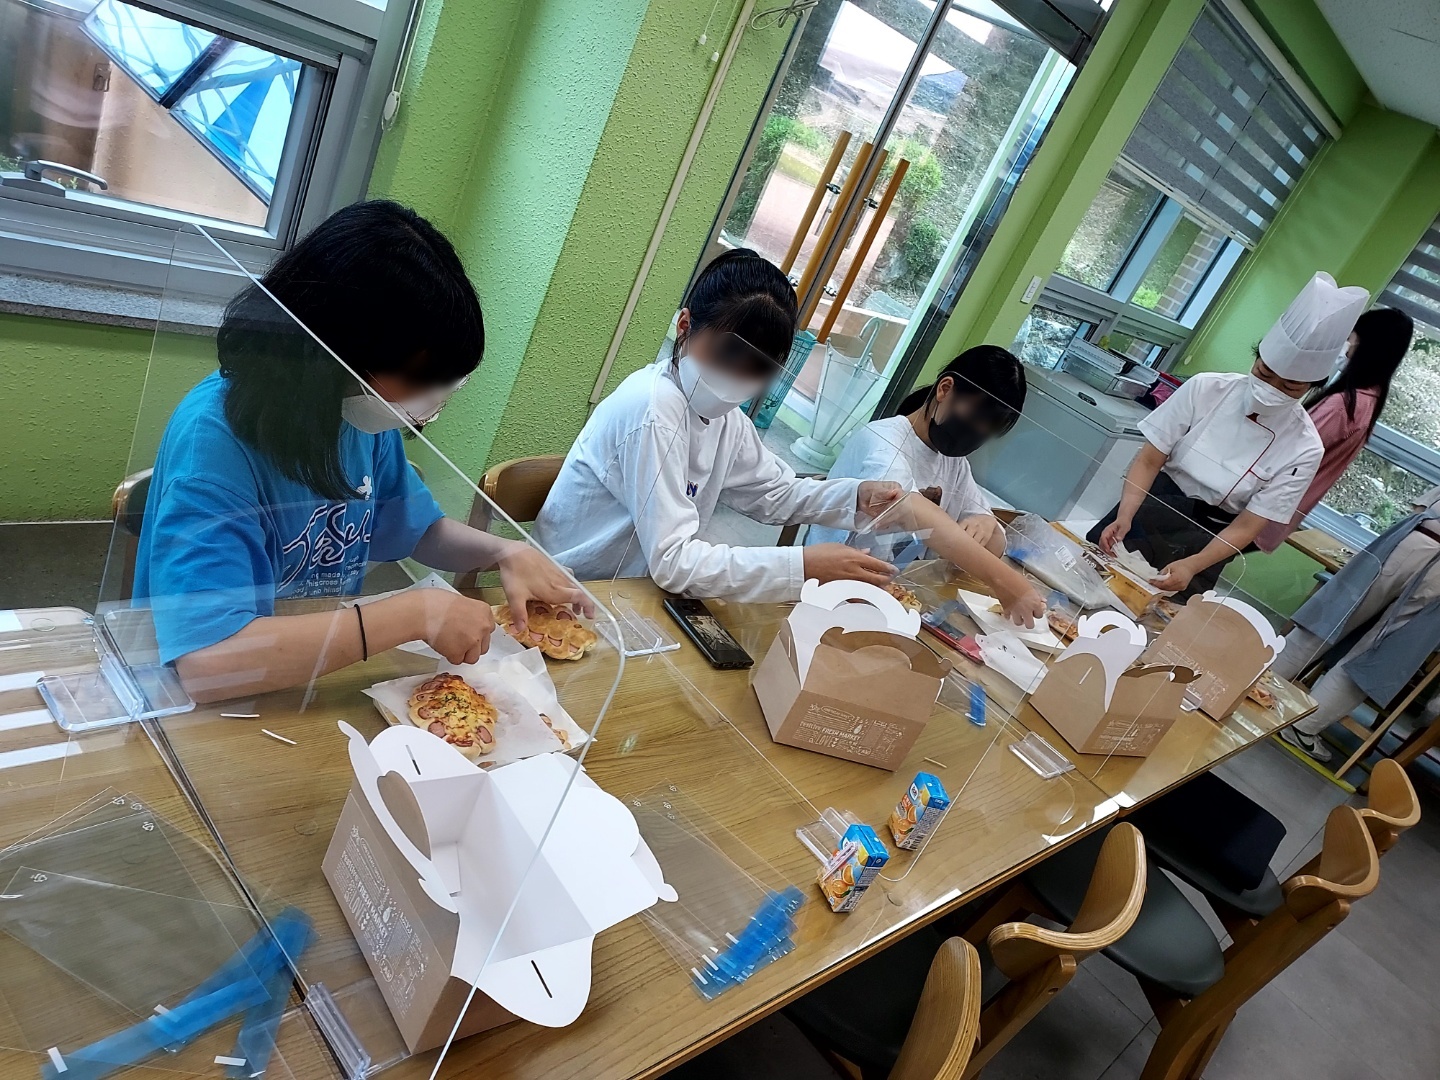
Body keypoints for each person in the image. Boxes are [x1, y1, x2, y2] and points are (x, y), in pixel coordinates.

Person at [135, 201, 588, 702]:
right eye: (417, 380)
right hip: (214, 690)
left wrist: (504, 551)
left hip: (314, 667)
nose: (426, 401)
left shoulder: (353, 411)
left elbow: (415, 528)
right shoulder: (214, 449)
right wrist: (416, 612)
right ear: (334, 353)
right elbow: (206, 662)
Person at [532, 249, 1045, 623]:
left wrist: (856, 497)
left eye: (758, 369)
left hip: (635, 595)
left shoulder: (723, 418)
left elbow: (774, 492)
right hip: (576, 597)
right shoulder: (654, 410)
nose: (739, 378)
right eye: (728, 355)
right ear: (685, 326)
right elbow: (675, 561)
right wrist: (802, 565)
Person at [1089, 272, 1369, 597]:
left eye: (1290, 387)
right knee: (1088, 582)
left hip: (1212, 538)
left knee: (1155, 614)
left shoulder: (1305, 448)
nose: (1271, 389)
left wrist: (1193, 565)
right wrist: (1125, 514)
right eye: (1264, 373)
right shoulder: (1206, 388)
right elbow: (1149, 460)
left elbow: (1249, 524)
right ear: (1256, 357)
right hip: (1149, 505)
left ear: (1311, 387)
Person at [806, 345, 1025, 555]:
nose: (979, 431)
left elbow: (995, 545)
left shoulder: (954, 464)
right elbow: (907, 511)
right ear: (945, 389)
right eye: (976, 417)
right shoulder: (883, 441)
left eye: (992, 427)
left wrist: (987, 523)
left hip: (892, 575)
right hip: (835, 572)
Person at [1275, 485, 1440, 763]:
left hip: (1416, 541)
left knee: (1335, 616)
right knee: (1378, 653)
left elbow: (1420, 508)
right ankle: (1303, 726)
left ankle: (1257, 682)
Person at [1255, 307, 1414, 553]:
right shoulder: (1368, 401)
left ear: (1365, 347)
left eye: (1349, 339)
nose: (1343, 347)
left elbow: (1288, 453)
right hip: (1273, 513)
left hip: (1261, 509)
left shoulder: (1344, 405)